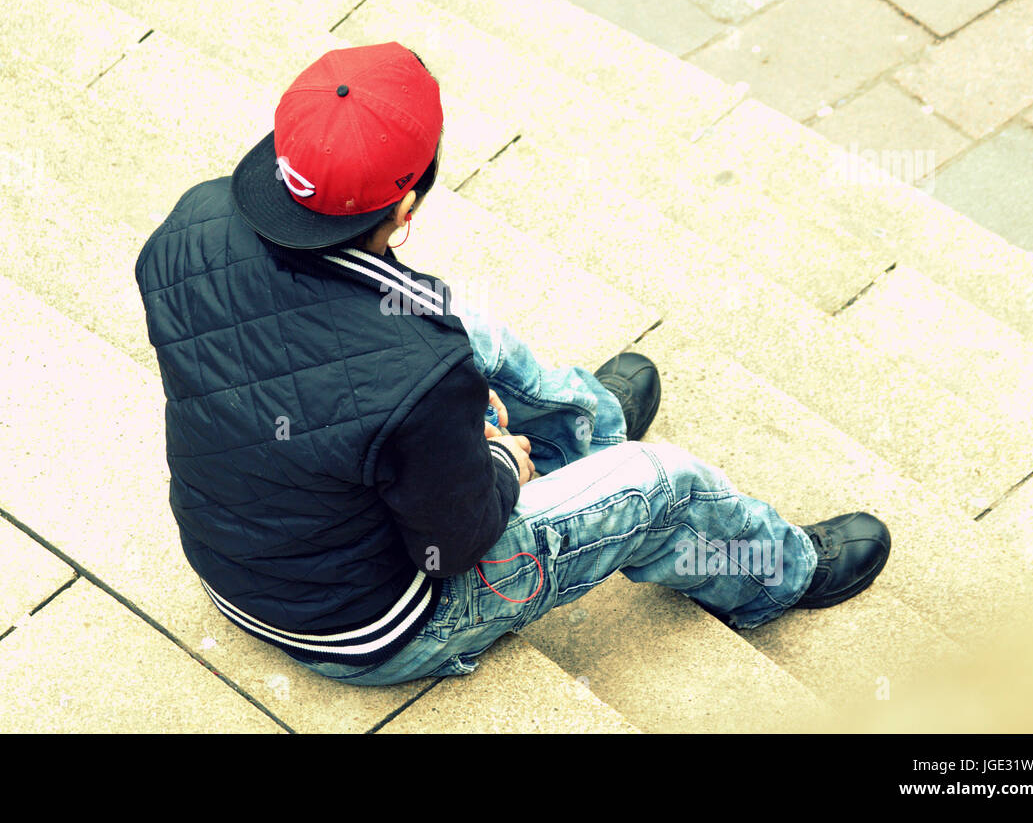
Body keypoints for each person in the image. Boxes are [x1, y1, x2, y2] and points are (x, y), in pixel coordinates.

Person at [134, 41, 891, 686]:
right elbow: (455, 542)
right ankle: (774, 572)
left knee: (465, 327)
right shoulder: (414, 377)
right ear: (404, 212)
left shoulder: (191, 223)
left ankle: (590, 425)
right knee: (662, 484)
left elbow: (309, 386)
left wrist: (448, 423)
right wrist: (496, 458)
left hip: (229, 558)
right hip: (369, 627)